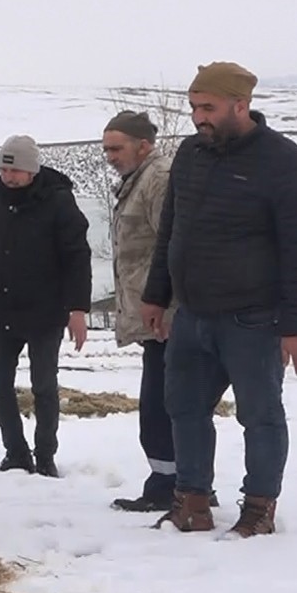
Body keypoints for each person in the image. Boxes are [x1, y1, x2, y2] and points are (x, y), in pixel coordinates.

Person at [143, 61, 297, 537]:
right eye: (194, 107)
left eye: (208, 107)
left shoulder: (289, 165)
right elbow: (170, 232)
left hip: (254, 319)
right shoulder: (189, 154)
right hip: (192, 313)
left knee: (259, 417)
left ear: (240, 105)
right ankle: (192, 502)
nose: (198, 117)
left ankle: (259, 508)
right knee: (183, 409)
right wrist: (156, 295)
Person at [0, 135, 93, 478]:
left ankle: (45, 455)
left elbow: (77, 256)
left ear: (32, 170)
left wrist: (78, 309)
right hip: (2, 308)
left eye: (15, 170)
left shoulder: (59, 201)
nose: (8, 176)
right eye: (3, 168)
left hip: (46, 311)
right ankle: (15, 453)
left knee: (44, 385)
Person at [102, 110, 194, 511]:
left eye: (116, 148)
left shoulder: (158, 181)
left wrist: (167, 307)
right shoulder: (137, 181)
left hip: (165, 319)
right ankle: (173, 484)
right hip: (152, 318)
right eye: (105, 148)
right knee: (158, 407)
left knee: (163, 409)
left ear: (144, 145)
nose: (109, 156)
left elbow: (175, 247)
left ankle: (175, 488)